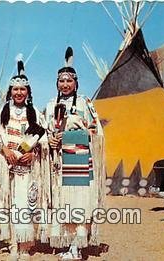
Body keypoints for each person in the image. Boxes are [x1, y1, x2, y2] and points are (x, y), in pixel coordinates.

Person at [45, 47, 105, 260]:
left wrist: (71, 137)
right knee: (62, 201)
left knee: (79, 202)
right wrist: (49, 140)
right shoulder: (51, 105)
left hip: (78, 160)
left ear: (76, 83)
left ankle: (77, 247)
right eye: (61, 81)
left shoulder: (85, 103)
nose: (65, 84)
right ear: (57, 83)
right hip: (58, 161)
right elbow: (45, 131)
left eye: (69, 81)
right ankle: (68, 243)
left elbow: (95, 131)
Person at [0, 57, 48, 259]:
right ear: (10, 92)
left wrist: (33, 153)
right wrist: (5, 150)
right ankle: (13, 243)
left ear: (28, 92)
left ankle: (26, 245)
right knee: (10, 203)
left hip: (28, 168)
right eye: (15, 89)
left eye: (22, 89)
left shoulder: (35, 113)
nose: (19, 93)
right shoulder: (3, 112)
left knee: (25, 204)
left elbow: (44, 139)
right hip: (8, 166)